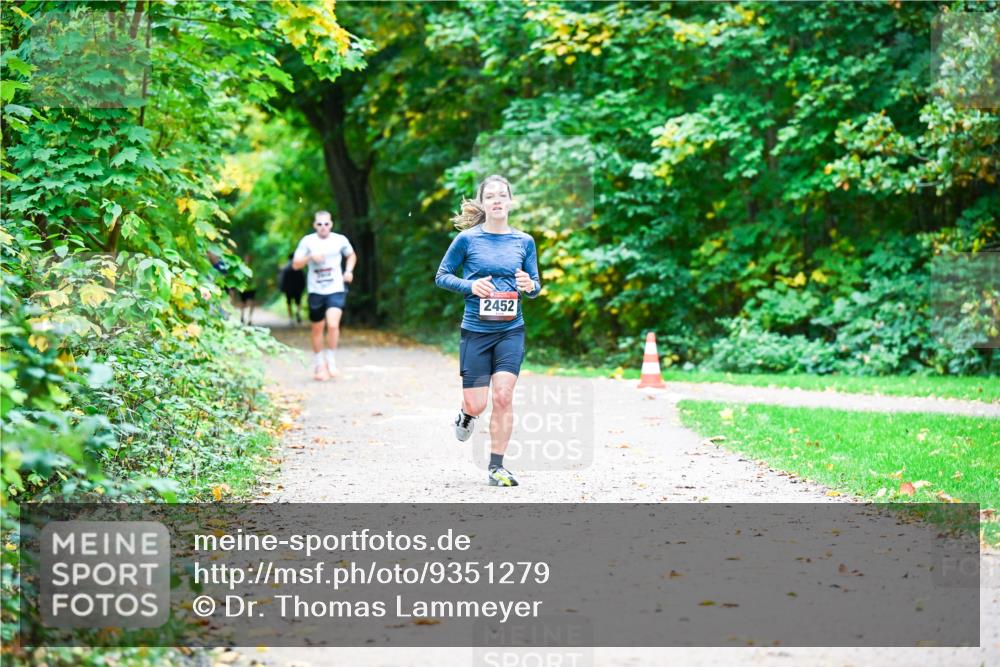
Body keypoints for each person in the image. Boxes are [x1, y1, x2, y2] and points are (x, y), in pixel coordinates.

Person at [435, 175, 542, 487]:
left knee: (504, 395)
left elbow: (534, 286)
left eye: (502, 195)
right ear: (482, 204)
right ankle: (467, 414)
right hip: (476, 332)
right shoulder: (467, 240)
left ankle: (497, 466)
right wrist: (471, 285)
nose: (497, 200)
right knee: (477, 403)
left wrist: (530, 286)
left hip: (511, 330)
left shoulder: (525, 241)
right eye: (490, 196)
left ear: (510, 201)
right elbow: (442, 276)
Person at [292, 211, 356, 380]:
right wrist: (310, 257)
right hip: (316, 290)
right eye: (319, 224)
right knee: (317, 328)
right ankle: (319, 364)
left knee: (333, 324)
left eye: (326, 224)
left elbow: (351, 255)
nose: (323, 227)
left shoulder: (339, 240)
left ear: (331, 224)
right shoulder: (307, 241)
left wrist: (348, 271)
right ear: (315, 225)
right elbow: (296, 264)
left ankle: (331, 360)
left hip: (335, 288)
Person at [278, 253, 307, 325]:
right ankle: (298, 313)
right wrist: (302, 288)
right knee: (298, 302)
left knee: (289, 303)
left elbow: (282, 280)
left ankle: (290, 318)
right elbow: (303, 279)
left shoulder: (285, 268)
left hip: (288, 289)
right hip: (298, 289)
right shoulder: (299, 268)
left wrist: (282, 289)